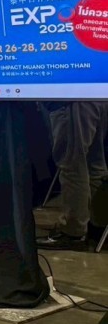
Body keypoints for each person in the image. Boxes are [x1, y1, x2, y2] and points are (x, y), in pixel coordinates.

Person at [38, 101, 108, 250]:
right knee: (93, 163)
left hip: (72, 101)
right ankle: (97, 227)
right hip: (97, 98)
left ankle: (73, 231)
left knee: (72, 164)